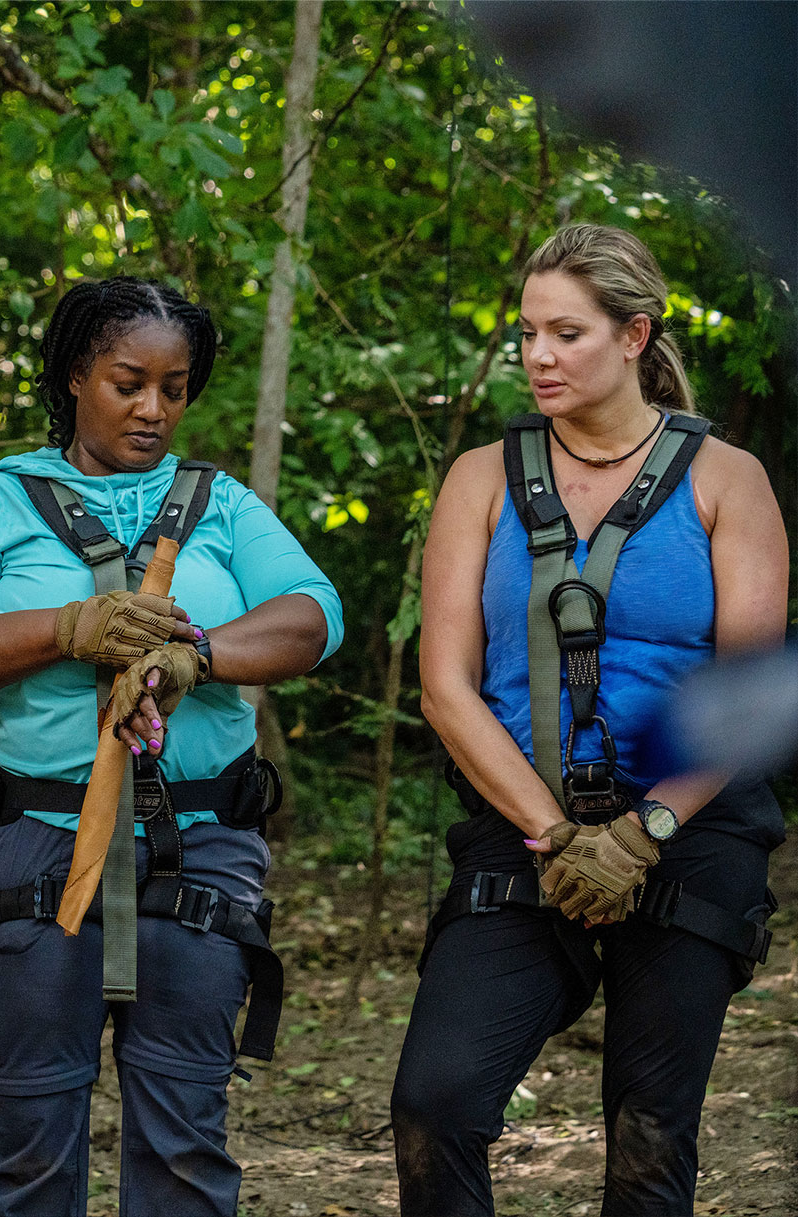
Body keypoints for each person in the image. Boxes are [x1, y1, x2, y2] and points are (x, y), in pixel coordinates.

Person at [0, 276, 343, 1217]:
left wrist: (197, 657)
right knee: (25, 1138)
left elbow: (313, 618)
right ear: (71, 376)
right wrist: (65, 629)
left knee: (186, 1137)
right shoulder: (5, 496)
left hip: (201, 848)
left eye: (173, 388)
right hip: (39, 842)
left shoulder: (215, 502)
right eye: (126, 382)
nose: (152, 408)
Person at [393, 223, 789, 1216]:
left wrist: (643, 828)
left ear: (633, 334)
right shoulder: (483, 476)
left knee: (648, 1131)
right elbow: (444, 684)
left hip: (689, 828)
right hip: (523, 819)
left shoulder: (724, 479)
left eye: (564, 332)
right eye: (527, 331)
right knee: (433, 1101)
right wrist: (557, 833)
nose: (536, 354)